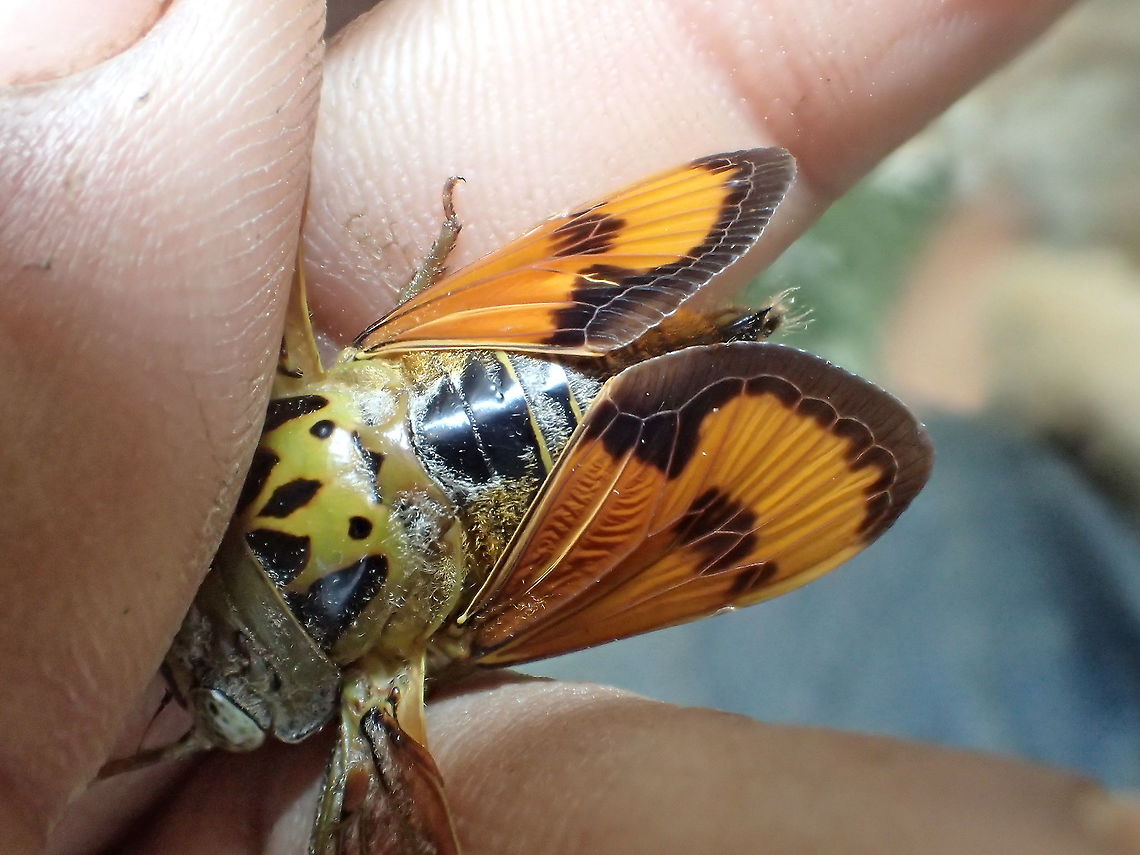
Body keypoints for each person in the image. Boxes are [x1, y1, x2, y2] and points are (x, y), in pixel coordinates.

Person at [3, 1, 1137, 853]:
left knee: (993, 489)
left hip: (503, 476)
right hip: (421, 381)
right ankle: (1017, 272)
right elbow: (297, 329)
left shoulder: (365, 692)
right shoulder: (272, 451)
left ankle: (1000, 292)